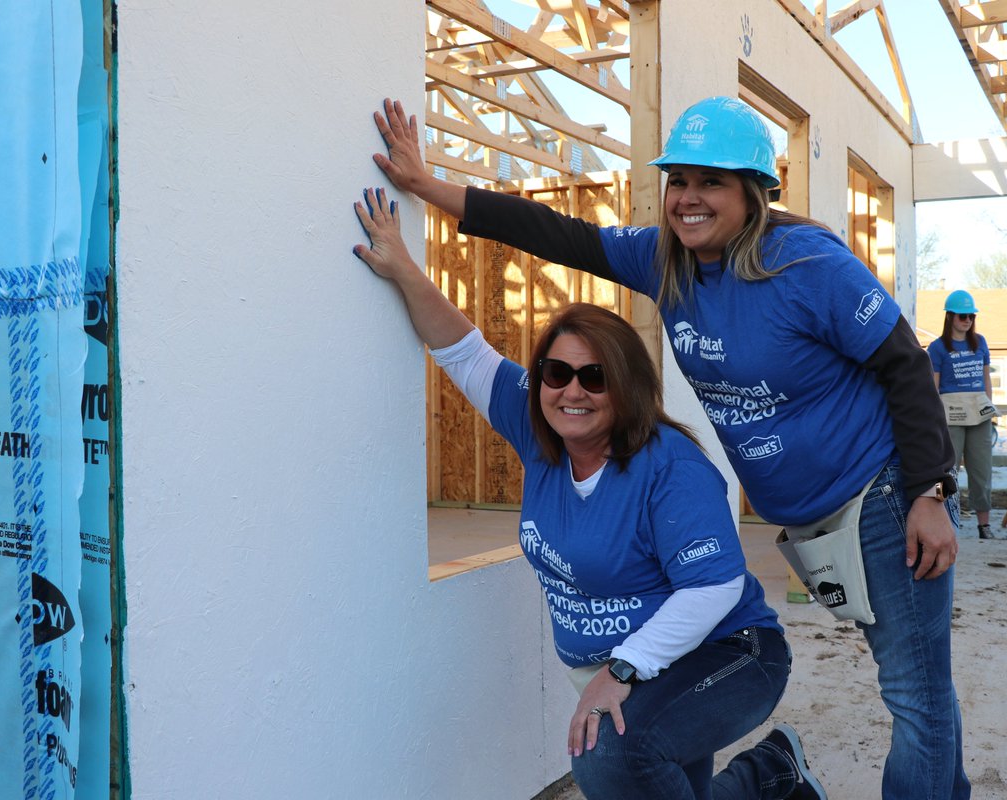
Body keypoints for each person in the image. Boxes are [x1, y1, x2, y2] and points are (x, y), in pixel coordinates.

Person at [370, 95, 968, 800]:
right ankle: (771, 778)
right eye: (678, 180)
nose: (688, 198)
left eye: (710, 182)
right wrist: (428, 188)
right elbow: (561, 236)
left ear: (753, 192)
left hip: (883, 495)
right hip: (807, 520)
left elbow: (904, 363)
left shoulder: (805, 266)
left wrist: (930, 490)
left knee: (914, 691)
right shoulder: (667, 263)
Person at [351, 187, 826, 799]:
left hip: (727, 655)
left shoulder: (669, 468)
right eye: (556, 372)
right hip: (642, 673)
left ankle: (769, 772)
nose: (571, 391)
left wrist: (624, 668)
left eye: (593, 376)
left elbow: (713, 588)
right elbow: (462, 349)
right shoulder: (539, 428)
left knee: (607, 758)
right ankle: (777, 774)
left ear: (625, 385)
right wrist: (401, 266)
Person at [927, 290, 995, 540]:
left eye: (971, 316)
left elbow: (986, 378)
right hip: (950, 414)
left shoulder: (981, 342)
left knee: (981, 469)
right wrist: (934, 419)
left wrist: (989, 405)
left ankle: (984, 524)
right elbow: (932, 386)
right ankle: (941, 519)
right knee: (945, 469)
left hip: (978, 413)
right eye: (962, 315)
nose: (967, 320)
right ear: (950, 317)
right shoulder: (937, 348)